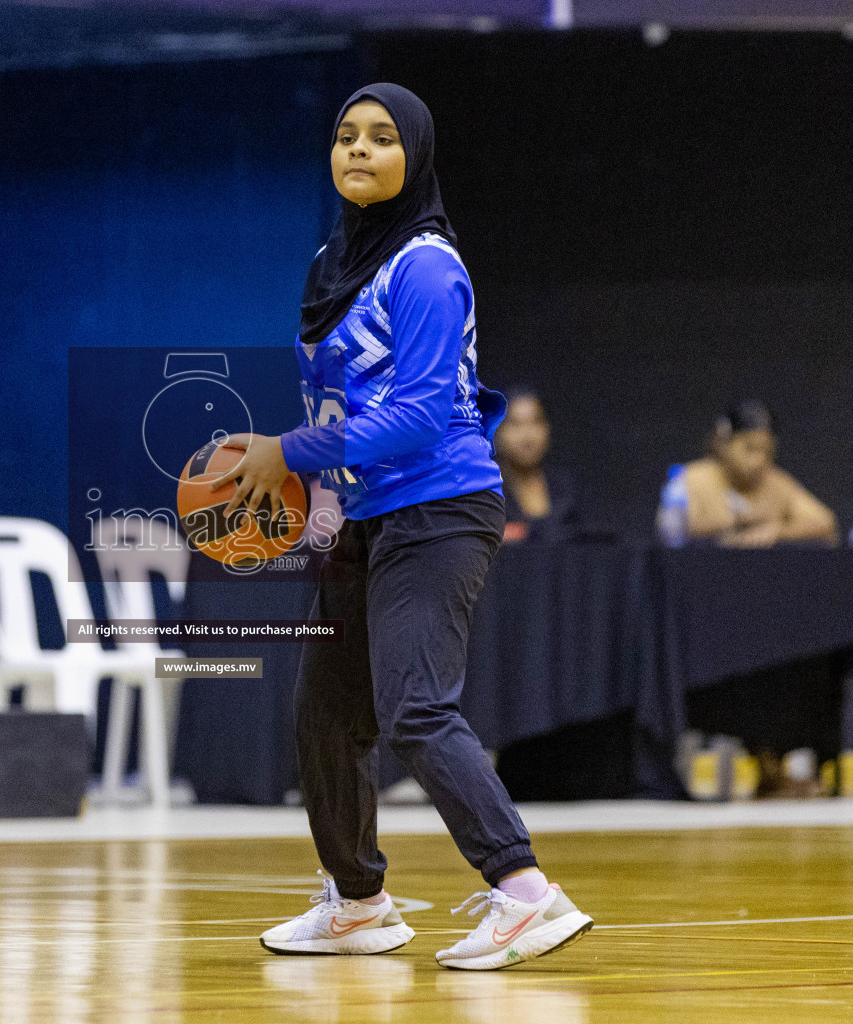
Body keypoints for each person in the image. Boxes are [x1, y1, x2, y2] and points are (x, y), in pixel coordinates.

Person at [211, 84, 592, 970]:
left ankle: (527, 894)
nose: (358, 150)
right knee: (321, 716)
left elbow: (421, 414)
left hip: (441, 506)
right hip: (367, 515)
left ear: (413, 158)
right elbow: (342, 405)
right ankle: (359, 904)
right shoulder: (328, 264)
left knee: (417, 708)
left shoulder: (426, 265)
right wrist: (298, 476)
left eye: (382, 139)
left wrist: (294, 450)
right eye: (346, 136)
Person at [681, 400, 838, 548]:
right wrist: (737, 528)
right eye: (750, 448)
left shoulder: (775, 481)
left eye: (766, 451)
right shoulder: (694, 478)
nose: (758, 460)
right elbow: (674, 529)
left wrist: (777, 530)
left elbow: (825, 523)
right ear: (723, 445)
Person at [493, 387, 582, 543]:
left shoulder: (564, 486)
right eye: (515, 424)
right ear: (498, 430)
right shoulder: (485, 489)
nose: (527, 435)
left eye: (535, 422)